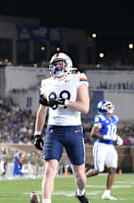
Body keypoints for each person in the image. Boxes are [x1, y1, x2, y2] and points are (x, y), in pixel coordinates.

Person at [33, 52, 90, 203]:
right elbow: (42, 109)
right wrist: (37, 134)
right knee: (49, 169)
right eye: (55, 64)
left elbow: (85, 107)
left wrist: (64, 102)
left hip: (74, 130)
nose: (57, 67)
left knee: (79, 173)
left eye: (61, 64)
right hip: (54, 131)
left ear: (68, 65)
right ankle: (46, 201)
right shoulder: (46, 83)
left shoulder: (78, 78)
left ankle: (80, 192)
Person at [86, 100, 123, 200]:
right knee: (98, 170)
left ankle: (107, 193)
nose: (110, 106)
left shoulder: (115, 119)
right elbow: (93, 134)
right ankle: (81, 178)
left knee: (112, 168)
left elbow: (113, 131)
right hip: (101, 145)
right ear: (102, 107)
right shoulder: (100, 118)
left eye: (110, 105)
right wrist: (106, 137)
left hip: (110, 146)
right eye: (108, 105)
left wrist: (118, 138)